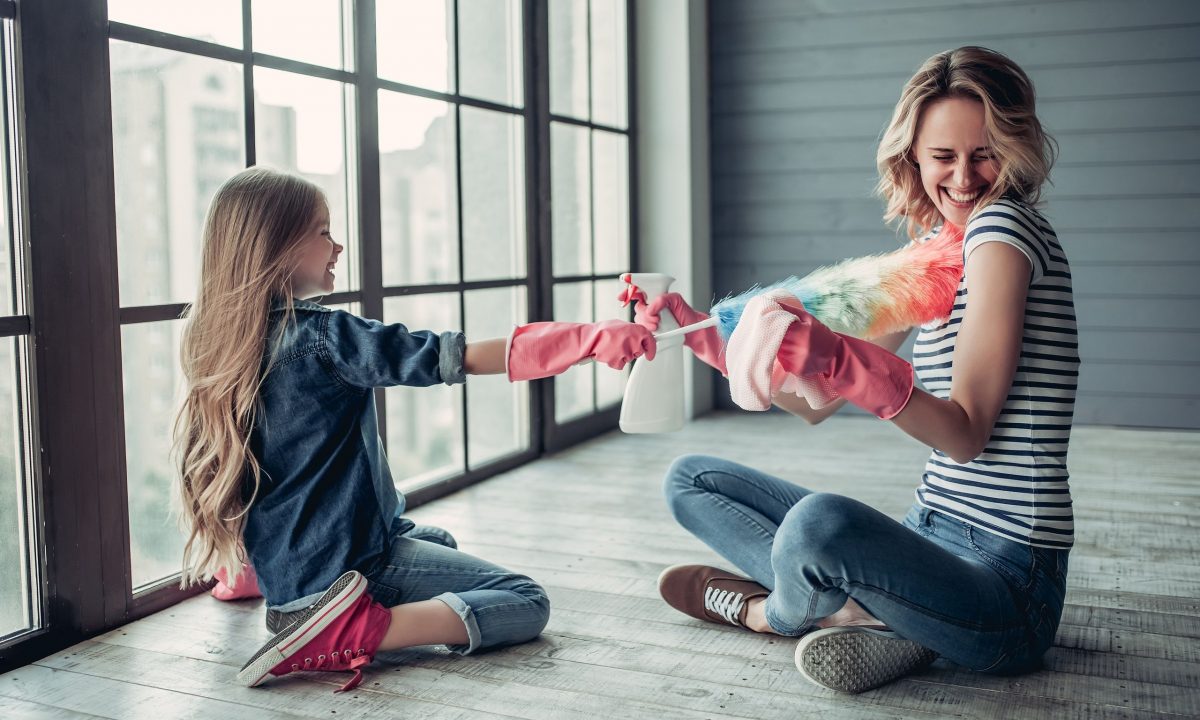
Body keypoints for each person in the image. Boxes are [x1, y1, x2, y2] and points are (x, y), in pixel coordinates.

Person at [635, 46, 1077, 693]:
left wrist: (843, 358)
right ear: (914, 157)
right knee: (691, 478)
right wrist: (705, 342)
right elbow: (813, 405)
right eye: (942, 156)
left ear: (1015, 147)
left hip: (1010, 590)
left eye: (983, 152)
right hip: (928, 537)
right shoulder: (936, 255)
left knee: (820, 527)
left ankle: (775, 613)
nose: (963, 177)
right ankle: (872, 613)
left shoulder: (1003, 233)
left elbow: (965, 434)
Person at [174, 166, 656, 692]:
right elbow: (454, 358)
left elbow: (239, 462)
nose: (337, 246)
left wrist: (253, 572)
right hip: (348, 567)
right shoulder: (324, 337)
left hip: (293, 574)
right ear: (277, 245)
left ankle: (302, 614)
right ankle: (347, 630)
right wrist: (586, 340)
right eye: (323, 231)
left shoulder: (220, 339)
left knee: (437, 538)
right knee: (525, 600)